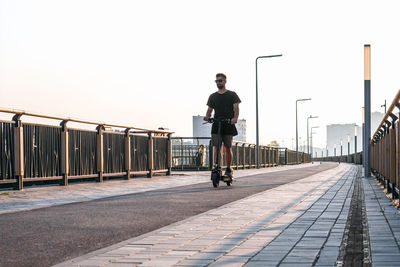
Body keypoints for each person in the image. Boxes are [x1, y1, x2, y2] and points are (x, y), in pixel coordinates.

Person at [203, 73, 241, 177]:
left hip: (228, 123)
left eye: (220, 80)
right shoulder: (213, 96)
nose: (218, 82)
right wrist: (207, 116)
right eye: (217, 81)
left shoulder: (232, 94)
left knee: (228, 147)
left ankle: (228, 168)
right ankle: (217, 166)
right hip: (216, 123)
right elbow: (209, 110)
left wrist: (235, 118)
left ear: (225, 81)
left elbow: (236, 108)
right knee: (216, 147)